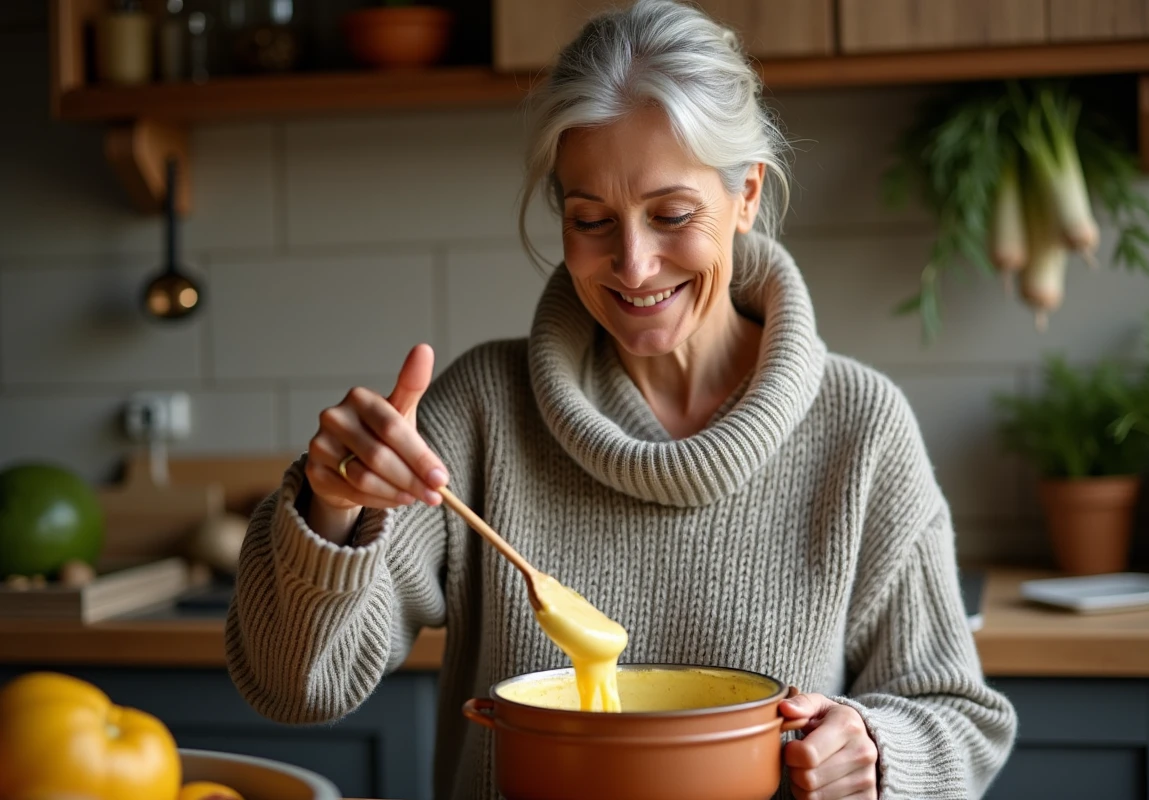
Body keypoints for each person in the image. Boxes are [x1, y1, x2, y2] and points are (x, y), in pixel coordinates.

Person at [226, 1, 1018, 798]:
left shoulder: (860, 428)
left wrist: (877, 749)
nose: (634, 265)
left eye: (671, 214)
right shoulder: (480, 417)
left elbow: (958, 716)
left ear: (746, 195)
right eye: (591, 219)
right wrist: (327, 512)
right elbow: (294, 687)